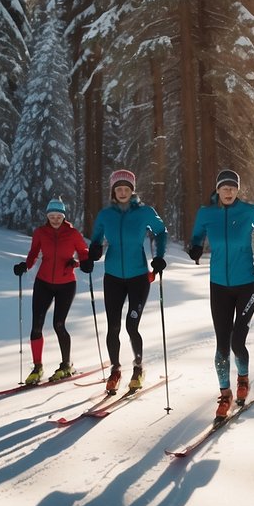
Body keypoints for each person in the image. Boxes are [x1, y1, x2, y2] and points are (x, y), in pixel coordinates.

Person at [186, 169, 254, 421]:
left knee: (237, 340)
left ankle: (243, 378)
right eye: (224, 187)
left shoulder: (249, 211)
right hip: (219, 287)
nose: (229, 191)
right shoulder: (206, 213)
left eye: (233, 187)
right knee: (222, 343)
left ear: (237, 189)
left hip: (246, 284)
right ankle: (225, 394)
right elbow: (197, 235)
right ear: (218, 189)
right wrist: (195, 247)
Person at [83, 169, 168, 395]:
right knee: (113, 326)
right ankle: (115, 370)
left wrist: (159, 257)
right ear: (113, 191)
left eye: (126, 189)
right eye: (118, 189)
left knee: (131, 325)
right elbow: (96, 240)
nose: (122, 192)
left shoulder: (144, 212)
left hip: (138, 278)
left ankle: (138, 368)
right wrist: (93, 253)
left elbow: (161, 232)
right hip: (112, 278)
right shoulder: (105, 215)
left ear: (132, 191)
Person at [14, 198, 90, 384]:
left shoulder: (72, 234)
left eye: (58, 216)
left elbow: (84, 253)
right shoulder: (40, 232)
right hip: (43, 282)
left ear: (63, 216)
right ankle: (37, 367)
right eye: (52, 216)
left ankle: (66, 365)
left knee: (58, 324)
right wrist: (25, 265)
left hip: (66, 284)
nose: (55, 219)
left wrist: (81, 263)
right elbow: (33, 253)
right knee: (36, 327)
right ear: (47, 216)